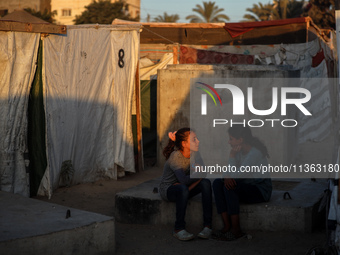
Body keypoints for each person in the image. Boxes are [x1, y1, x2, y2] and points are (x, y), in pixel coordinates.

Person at [212, 124, 272, 241]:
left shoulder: (255, 153)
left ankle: (236, 231)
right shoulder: (238, 151)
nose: (229, 142)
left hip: (259, 190)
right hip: (245, 185)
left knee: (230, 187)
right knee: (217, 183)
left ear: (240, 140)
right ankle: (227, 226)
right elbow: (227, 173)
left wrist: (231, 156)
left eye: (231, 139)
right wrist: (226, 176)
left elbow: (238, 175)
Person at [159, 127, 213, 241]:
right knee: (183, 188)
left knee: (206, 183)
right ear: (184, 143)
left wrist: (197, 178)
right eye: (194, 139)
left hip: (186, 187)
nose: (198, 141)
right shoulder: (176, 156)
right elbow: (184, 180)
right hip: (169, 189)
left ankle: (207, 226)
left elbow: (205, 173)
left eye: (197, 138)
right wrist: (198, 175)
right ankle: (178, 229)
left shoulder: (195, 154)